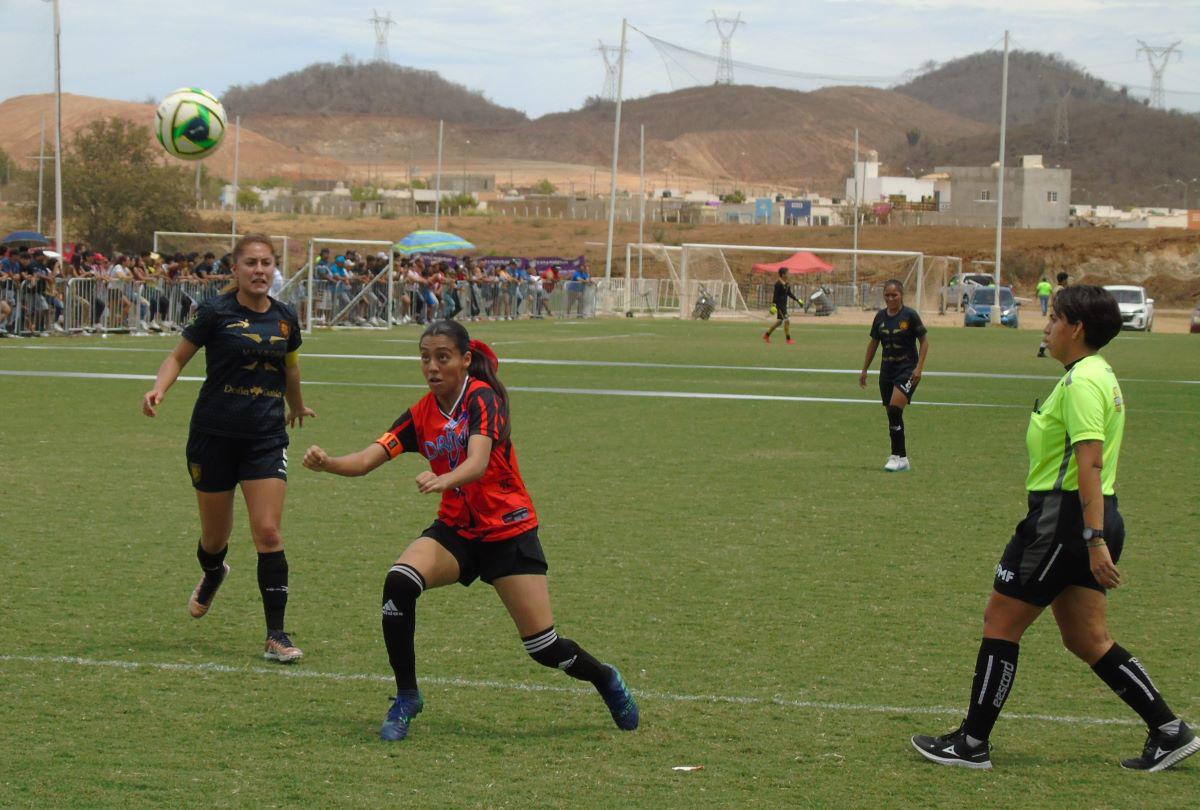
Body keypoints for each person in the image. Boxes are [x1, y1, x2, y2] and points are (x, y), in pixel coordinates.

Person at [301, 320, 639, 741]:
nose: (432, 367)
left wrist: (445, 479)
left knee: (543, 648)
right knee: (399, 582)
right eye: (425, 357)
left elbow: (478, 460)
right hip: (458, 530)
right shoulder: (420, 414)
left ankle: (604, 678)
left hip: (508, 530)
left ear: (464, 359)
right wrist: (328, 462)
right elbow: (368, 458)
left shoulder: (482, 397)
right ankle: (407, 696)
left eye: (443, 357)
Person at [911, 286, 1197, 772]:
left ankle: (972, 743)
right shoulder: (1095, 374)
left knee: (1000, 623)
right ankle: (1169, 730)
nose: (1046, 325)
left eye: (1053, 317)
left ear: (1076, 328)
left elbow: (1089, 462)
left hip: (1064, 521)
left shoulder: (1083, 381)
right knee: (1087, 638)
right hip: (1087, 516)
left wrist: (1093, 539)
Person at [141, 234, 316, 663]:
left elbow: (290, 368)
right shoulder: (215, 312)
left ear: (275, 269)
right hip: (213, 436)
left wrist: (296, 406)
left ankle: (277, 635)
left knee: (269, 533)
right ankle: (213, 571)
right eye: (251, 263)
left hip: (265, 438)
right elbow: (177, 357)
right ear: (236, 269)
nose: (260, 270)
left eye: (267, 263)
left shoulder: (286, 318)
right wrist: (159, 389)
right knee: (215, 538)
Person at [859, 280, 929, 472]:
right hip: (887, 370)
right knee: (891, 414)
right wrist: (864, 369)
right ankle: (901, 457)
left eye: (894, 295)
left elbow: (924, 342)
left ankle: (896, 456)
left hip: (907, 370)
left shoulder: (910, 316)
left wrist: (919, 368)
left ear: (901, 295)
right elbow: (873, 344)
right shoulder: (880, 317)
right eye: (887, 295)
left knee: (895, 410)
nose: (890, 298)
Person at [763, 267, 802, 344]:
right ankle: (788, 339)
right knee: (787, 320)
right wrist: (774, 305)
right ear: (783, 274)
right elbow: (775, 295)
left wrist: (797, 300)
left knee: (779, 322)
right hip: (779, 306)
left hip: (784, 305)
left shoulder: (787, 283)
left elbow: (789, 293)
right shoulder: (778, 284)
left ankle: (766, 335)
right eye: (787, 273)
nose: (789, 274)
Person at [1038, 272, 1069, 357]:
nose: (1068, 281)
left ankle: (1041, 350)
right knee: (1062, 331)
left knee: (1050, 332)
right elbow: (1059, 301)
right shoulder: (1061, 289)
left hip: (1054, 312)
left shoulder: (1056, 288)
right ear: (1064, 280)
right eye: (1067, 279)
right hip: (1057, 313)